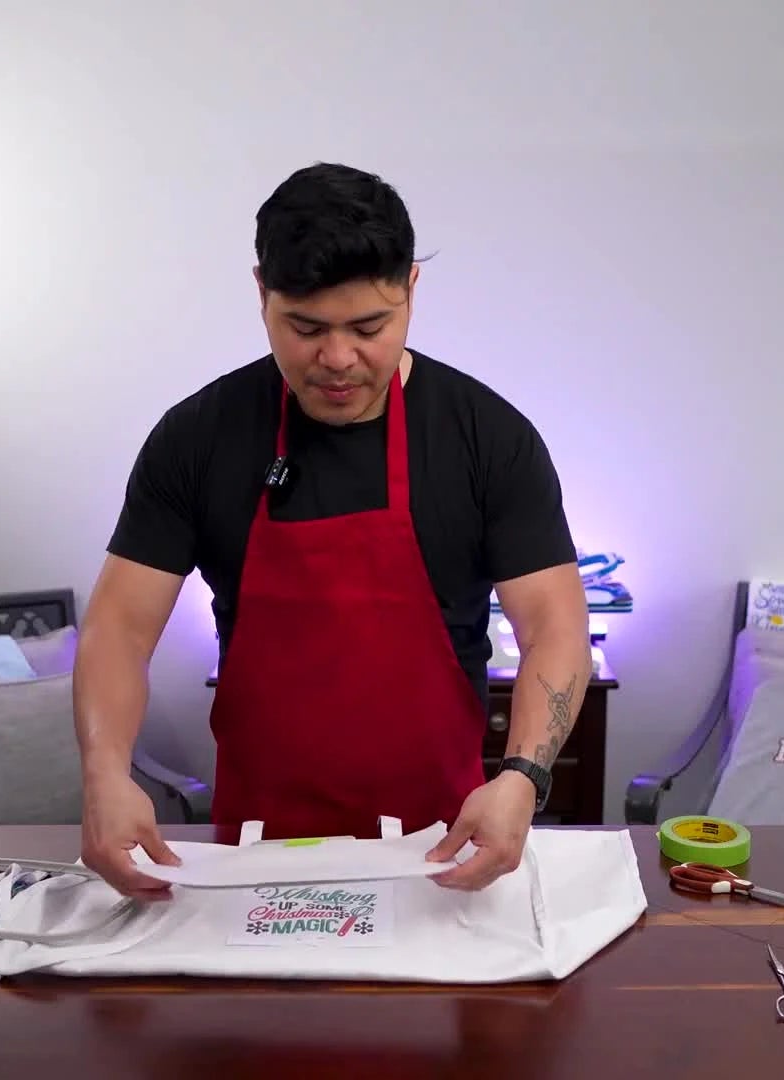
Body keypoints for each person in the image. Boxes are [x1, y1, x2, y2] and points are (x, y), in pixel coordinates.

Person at [73, 162, 592, 897]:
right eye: (307, 328)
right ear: (262, 294)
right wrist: (104, 772)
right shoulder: (198, 439)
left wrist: (524, 777)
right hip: (252, 862)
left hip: (445, 854)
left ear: (411, 290)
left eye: (369, 327)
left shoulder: (488, 440)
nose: (339, 360)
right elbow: (119, 629)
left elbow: (556, 627)